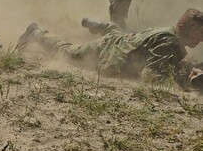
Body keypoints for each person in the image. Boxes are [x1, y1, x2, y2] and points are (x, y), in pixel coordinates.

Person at [18, 8, 203, 91]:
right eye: (197, 31)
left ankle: (102, 26)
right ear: (181, 26)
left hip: (120, 41)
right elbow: (150, 74)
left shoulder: (169, 34)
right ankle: (36, 32)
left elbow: (158, 61)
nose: (200, 37)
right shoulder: (170, 42)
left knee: (117, 32)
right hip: (106, 53)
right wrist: (181, 86)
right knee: (68, 52)